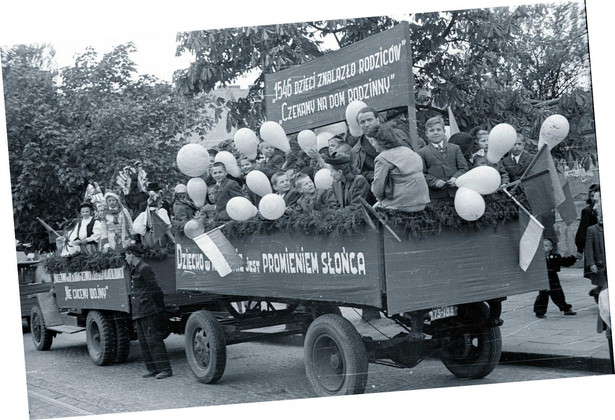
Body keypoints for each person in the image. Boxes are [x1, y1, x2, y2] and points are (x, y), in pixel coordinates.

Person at [124, 245, 172, 379]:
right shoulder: (135, 269)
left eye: (127, 255)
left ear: (132, 255)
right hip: (139, 311)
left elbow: (155, 289)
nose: (125, 258)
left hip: (148, 310)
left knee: (154, 340)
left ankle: (165, 369)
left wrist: (159, 308)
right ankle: (153, 369)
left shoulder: (144, 268)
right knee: (144, 342)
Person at [367, 124, 430, 212]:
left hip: (402, 204)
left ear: (379, 141)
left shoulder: (382, 158)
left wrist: (381, 199)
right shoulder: (407, 150)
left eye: (372, 141)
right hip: (422, 201)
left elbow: (377, 190)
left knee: (372, 211)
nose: (372, 145)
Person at [417, 115, 468, 200]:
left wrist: (456, 178)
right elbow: (421, 173)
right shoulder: (422, 152)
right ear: (427, 134)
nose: (435, 133)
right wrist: (434, 182)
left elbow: (464, 168)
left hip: (456, 194)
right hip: (435, 195)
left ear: (444, 131)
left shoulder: (455, 148)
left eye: (438, 129)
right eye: (432, 130)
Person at [534, 238, 577, 318]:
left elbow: (563, 262)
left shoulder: (555, 256)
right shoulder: (538, 257)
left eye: (546, 245)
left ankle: (565, 309)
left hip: (553, 277)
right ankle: (539, 312)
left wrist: (572, 259)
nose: (544, 247)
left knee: (558, 294)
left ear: (551, 248)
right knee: (543, 295)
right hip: (543, 278)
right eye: (542, 245)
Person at [585, 203, 607, 302]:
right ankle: (599, 299)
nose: (602, 217)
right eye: (599, 215)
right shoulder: (592, 230)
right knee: (602, 285)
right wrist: (591, 263)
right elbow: (589, 248)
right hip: (600, 263)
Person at [575, 184, 600, 256]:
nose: (594, 198)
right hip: (593, 244)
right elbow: (582, 230)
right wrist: (580, 249)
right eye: (592, 196)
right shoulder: (587, 211)